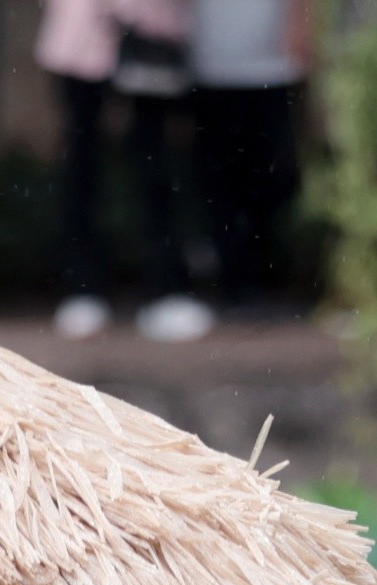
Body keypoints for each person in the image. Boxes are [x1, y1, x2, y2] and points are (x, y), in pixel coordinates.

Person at [37, 0, 207, 338]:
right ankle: (81, 288)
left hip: (153, 29)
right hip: (80, 34)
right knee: (82, 164)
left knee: (156, 164)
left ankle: (167, 288)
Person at [186, 0, 303, 318]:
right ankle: (233, 285)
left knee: (276, 177)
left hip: (275, 66)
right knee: (219, 184)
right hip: (210, 66)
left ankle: (257, 274)